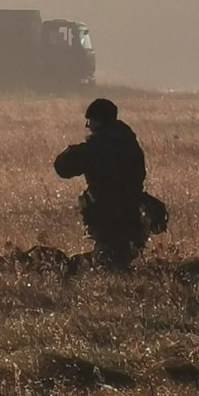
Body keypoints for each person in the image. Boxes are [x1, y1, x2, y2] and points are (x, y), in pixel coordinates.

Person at [53, 98, 148, 269]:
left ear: (99, 121)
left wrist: (75, 151)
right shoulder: (129, 143)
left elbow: (63, 167)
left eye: (90, 120)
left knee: (104, 264)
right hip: (131, 216)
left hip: (109, 218)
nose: (87, 125)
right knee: (120, 255)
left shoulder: (98, 148)